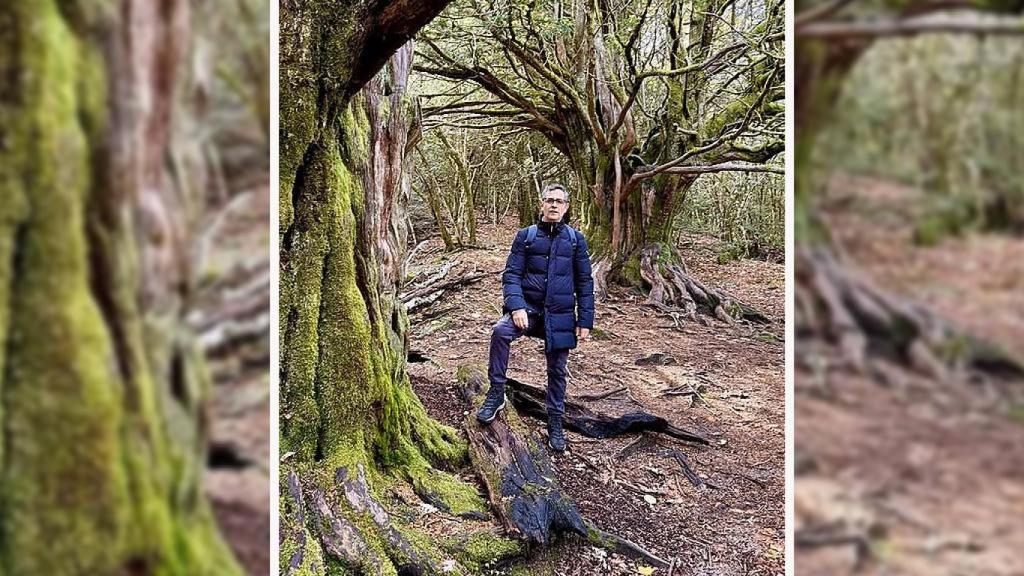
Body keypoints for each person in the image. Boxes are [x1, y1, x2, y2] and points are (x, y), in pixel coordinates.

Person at [475, 183, 595, 452]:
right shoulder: (526, 236)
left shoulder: (576, 240)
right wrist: (516, 306)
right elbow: (511, 275)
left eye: (559, 201)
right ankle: (496, 393)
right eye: (549, 200)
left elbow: (585, 282)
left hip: (560, 315)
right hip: (527, 310)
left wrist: (585, 321)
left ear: (566, 207)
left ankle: (555, 420)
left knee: (557, 370)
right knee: (500, 332)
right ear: (542, 204)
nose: (554, 205)